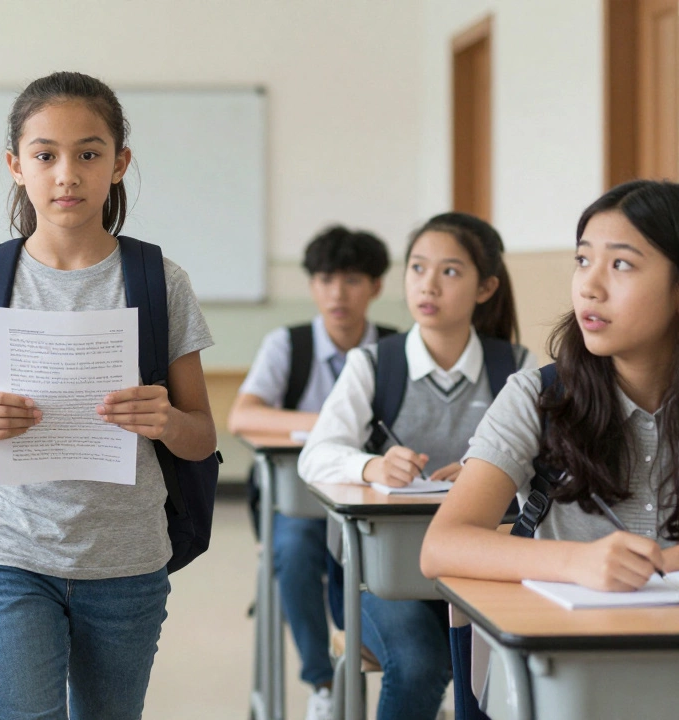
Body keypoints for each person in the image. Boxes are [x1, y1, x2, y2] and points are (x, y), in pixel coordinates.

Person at [0, 71, 216, 720]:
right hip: (11, 552)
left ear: (119, 164)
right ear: (14, 165)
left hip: (127, 560)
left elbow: (204, 436)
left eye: (89, 154)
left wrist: (166, 419)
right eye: (45, 155)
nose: (66, 174)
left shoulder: (158, 280)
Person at [421, 180, 679, 719]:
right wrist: (579, 562)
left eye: (622, 265)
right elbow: (442, 546)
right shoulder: (537, 396)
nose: (590, 286)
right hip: (562, 681)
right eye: (583, 260)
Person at [298, 212, 536, 720]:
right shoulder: (374, 364)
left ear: (486, 286)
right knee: (418, 663)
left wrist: (490, 475)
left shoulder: (517, 369)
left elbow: (553, 474)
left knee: (509, 668)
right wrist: (370, 467)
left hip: (484, 570)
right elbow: (315, 456)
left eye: (450, 272)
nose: (428, 284)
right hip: (377, 579)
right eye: (418, 268)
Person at [227, 224, 393, 720]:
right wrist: (332, 426)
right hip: (302, 501)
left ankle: (386, 674)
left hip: (375, 501)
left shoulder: (395, 348)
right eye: (324, 280)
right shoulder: (289, 344)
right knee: (293, 550)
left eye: (352, 280)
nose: (337, 294)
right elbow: (242, 416)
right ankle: (322, 681)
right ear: (311, 285)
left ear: (377, 287)